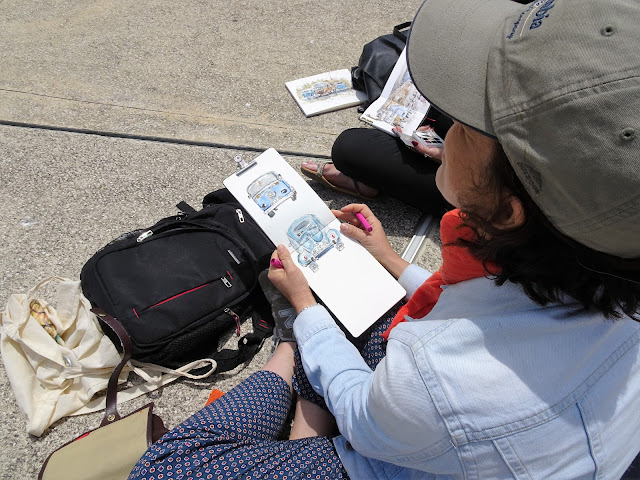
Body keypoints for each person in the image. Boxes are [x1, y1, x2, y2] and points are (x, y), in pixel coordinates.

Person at [129, 0, 640, 478]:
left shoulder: (437, 376)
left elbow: (364, 412)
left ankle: (289, 353)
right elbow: (478, 311)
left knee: (167, 466)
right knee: (356, 308)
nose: (442, 131)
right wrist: (390, 259)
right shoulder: (594, 259)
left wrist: (304, 310)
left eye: (465, 127)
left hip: (399, 449)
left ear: (508, 210)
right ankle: (307, 378)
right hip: (459, 430)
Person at [300, 110, 453, 216]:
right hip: (452, 142)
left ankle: (370, 180)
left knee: (349, 147)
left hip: (460, 184)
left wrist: (445, 156)